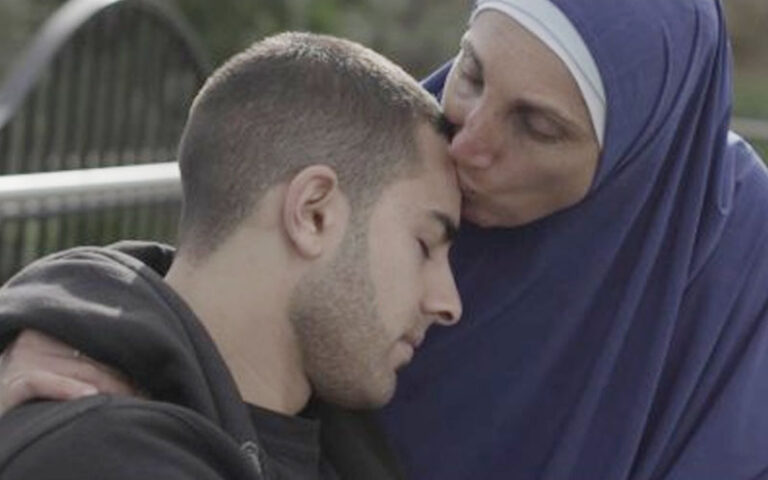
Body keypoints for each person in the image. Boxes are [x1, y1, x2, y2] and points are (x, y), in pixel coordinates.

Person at [3, 0, 768, 478]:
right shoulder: (407, 157)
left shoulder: (731, 279)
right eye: (472, 73)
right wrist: (79, 317)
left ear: (636, 165)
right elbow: (243, 240)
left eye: (537, 126)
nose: (466, 143)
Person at [0, 31, 462, 480]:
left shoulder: (344, 435)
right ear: (313, 213)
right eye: (425, 245)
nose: (449, 303)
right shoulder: (103, 453)